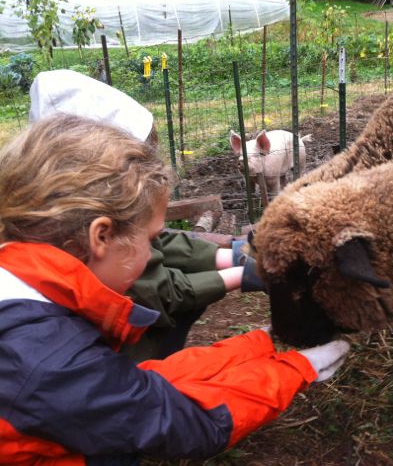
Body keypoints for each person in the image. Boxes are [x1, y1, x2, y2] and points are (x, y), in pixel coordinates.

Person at [0, 114, 350, 465]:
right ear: (101, 236)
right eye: (152, 240)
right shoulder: (47, 360)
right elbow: (181, 423)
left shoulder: (26, 304)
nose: (156, 253)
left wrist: (256, 344)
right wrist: (295, 370)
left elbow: (136, 386)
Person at [28, 69, 260, 361]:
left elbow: (155, 240)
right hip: (111, 364)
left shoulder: (69, 212)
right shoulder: (76, 245)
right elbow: (156, 292)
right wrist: (244, 273)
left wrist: (235, 255)